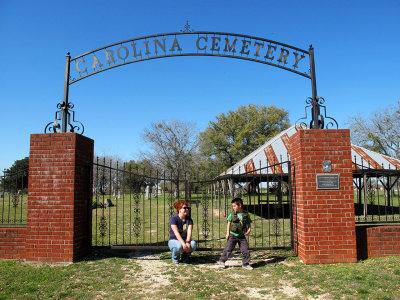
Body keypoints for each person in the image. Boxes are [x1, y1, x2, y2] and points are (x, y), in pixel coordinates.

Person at [219, 198, 253, 270]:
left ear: (240, 205)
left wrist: (249, 229)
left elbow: (249, 223)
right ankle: (222, 261)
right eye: (233, 206)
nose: (233, 208)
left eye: (234, 206)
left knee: (245, 249)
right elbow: (229, 222)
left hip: (242, 236)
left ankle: (245, 263)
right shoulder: (232, 214)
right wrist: (227, 233)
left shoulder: (245, 214)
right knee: (228, 249)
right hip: (233, 235)